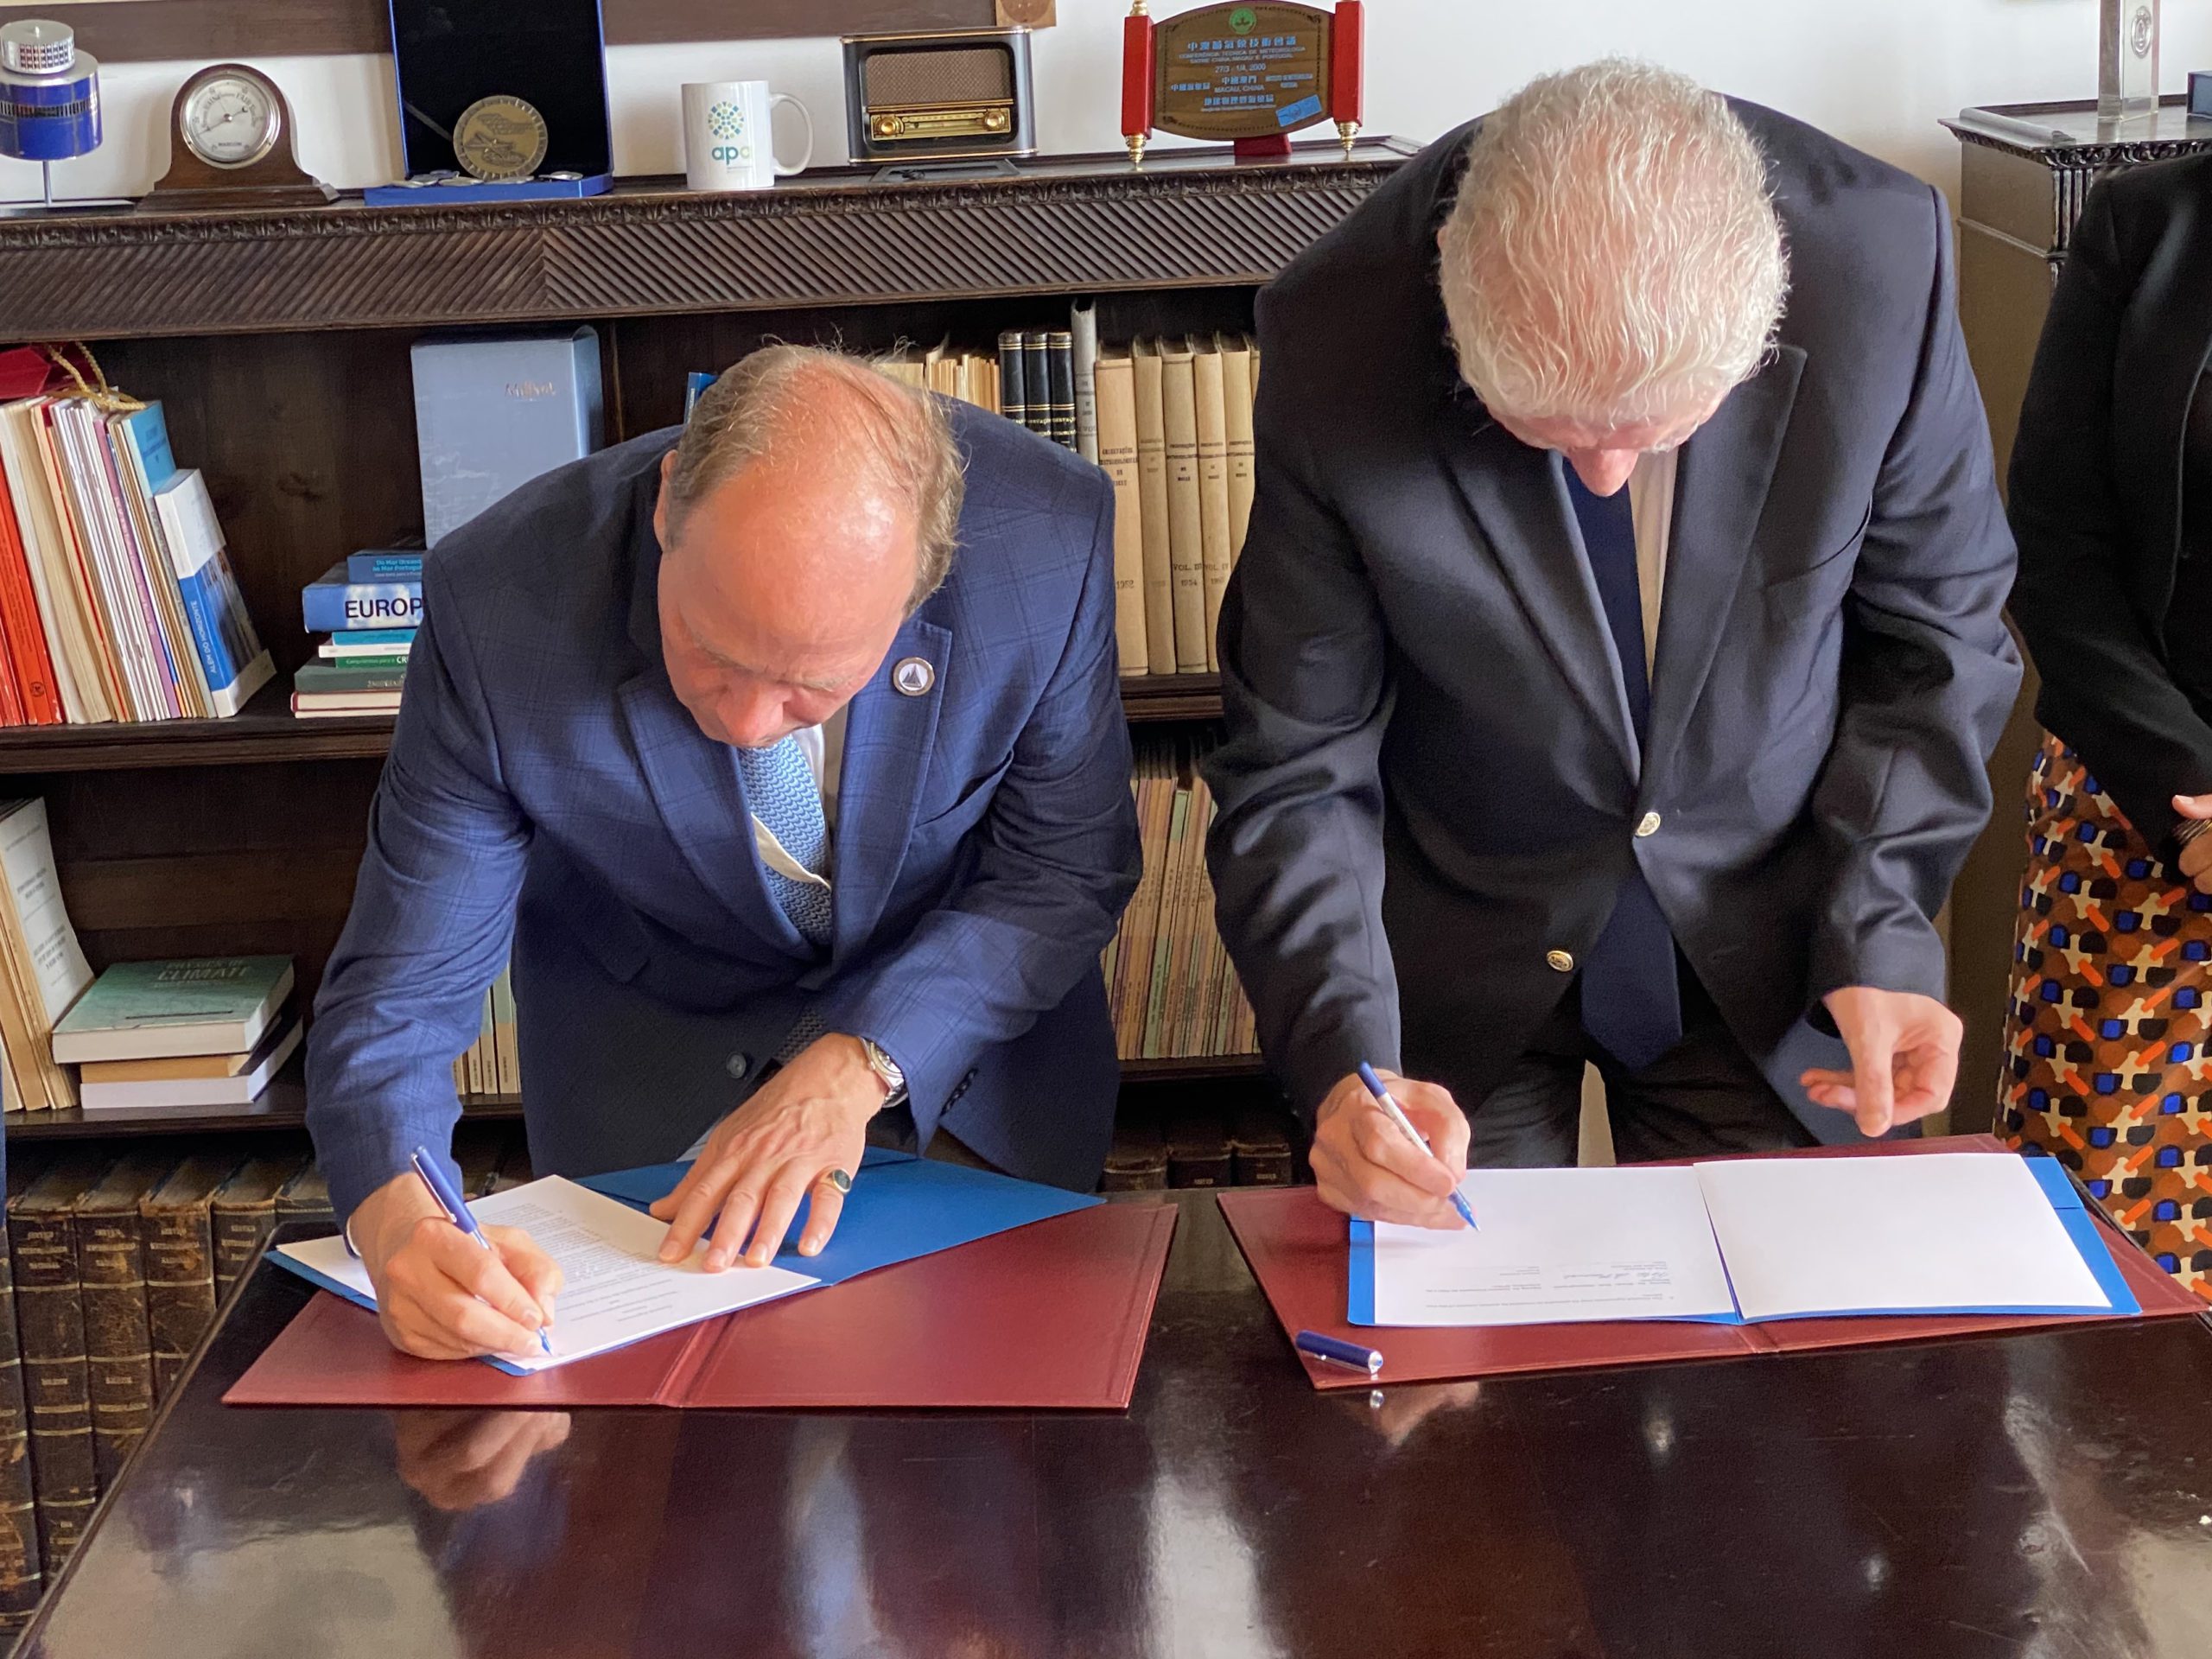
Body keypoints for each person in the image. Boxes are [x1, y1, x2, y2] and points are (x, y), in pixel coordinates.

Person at [1206, 60, 2021, 1227]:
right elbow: (1300, 757)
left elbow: (1936, 638)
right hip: (1458, 948)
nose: (1605, 476)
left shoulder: (1881, 262)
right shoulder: (1338, 334)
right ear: (1454, 303)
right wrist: (1348, 1064)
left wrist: (1882, 919)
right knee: (1462, 1385)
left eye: (1656, 434)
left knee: (1791, 1387)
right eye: (1547, 432)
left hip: (1780, 927)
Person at [307, 345, 1140, 1359]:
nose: (749, 725)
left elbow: (1062, 869)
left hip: (971, 1102)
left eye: (812, 688)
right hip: (647, 1157)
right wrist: (403, 1222)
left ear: (919, 593)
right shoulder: (499, 602)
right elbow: (404, 986)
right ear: (668, 508)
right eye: (710, 649)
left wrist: (856, 1065)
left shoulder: (1044, 544)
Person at [2001, 151, 2212, 1300]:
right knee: (2099, 1301)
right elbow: (2055, 539)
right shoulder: (2147, 223)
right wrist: (2187, 797)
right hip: (2142, 816)